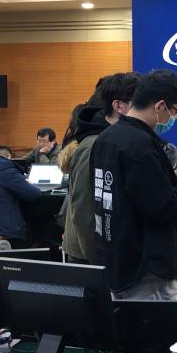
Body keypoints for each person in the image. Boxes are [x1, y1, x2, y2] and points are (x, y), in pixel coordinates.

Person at [91, 69, 177, 300]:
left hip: (114, 259)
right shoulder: (141, 146)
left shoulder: (106, 138)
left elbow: (133, 191)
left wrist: (173, 177)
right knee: (152, 324)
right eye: (175, 111)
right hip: (145, 269)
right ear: (160, 106)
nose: (173, 118)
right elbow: (162, 207)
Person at [61, 72, 140, 264]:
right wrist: (99, 261)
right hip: (89, 255)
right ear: (119, 106)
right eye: (139, 104)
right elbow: (83, 209)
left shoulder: (115, 140)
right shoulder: (94, 145)